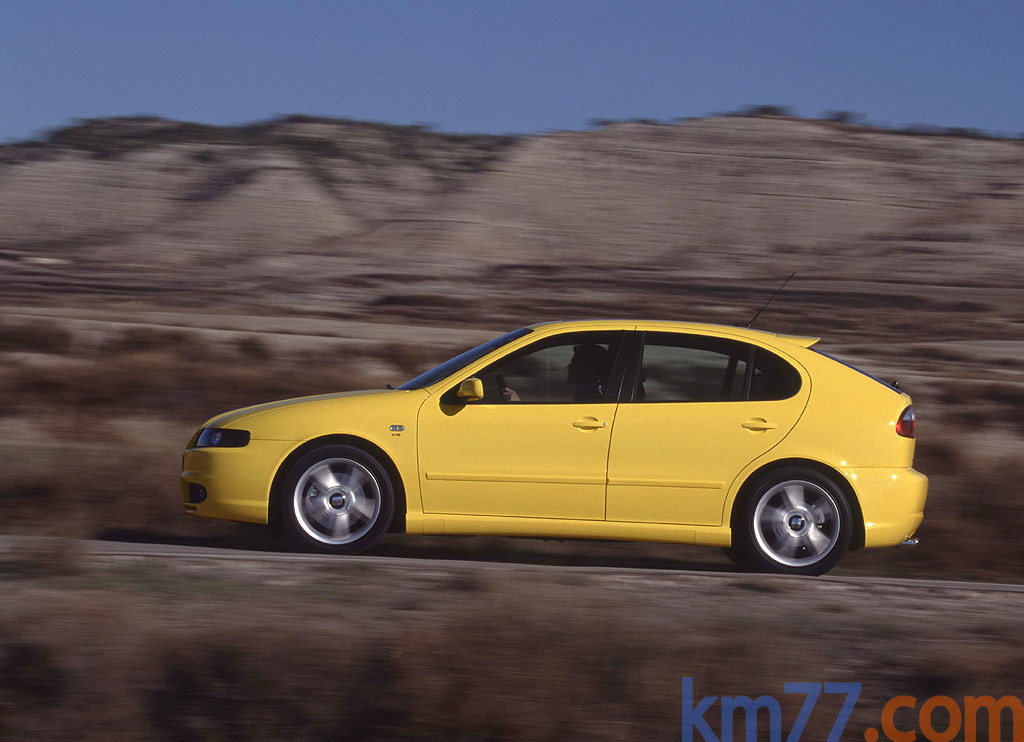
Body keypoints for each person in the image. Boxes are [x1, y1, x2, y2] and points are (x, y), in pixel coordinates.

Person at [500, 343, 612, 403]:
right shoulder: (590, 393)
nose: (569, 367)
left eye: (575, 363)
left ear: (589, 368)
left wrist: (519, 404)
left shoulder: (590, 398)